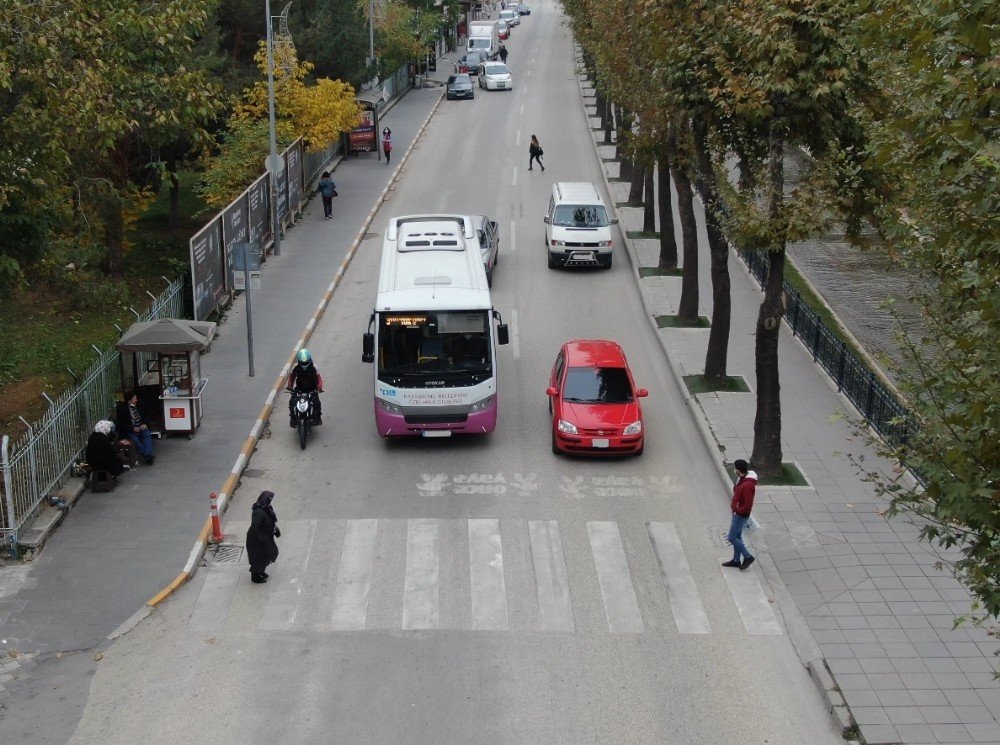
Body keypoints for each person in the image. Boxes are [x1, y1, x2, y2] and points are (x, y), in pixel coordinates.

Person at [722, 459, 757, 570]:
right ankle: (736, 560)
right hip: (737, 513)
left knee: (731, 538)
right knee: (737, 537)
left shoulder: (747, 485)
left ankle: (747, 557)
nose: (734, 469)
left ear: (738, 470)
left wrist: (738, 511)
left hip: (740, 515)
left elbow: (748, 504)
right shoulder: (742, 479)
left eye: (735, 467)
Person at [246, 490, 280, 584]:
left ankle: (260, 571)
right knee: (260, 557)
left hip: (266, 537)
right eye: (270, 499)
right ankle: (255, 576)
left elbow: (270, 520)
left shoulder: (267, 508)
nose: (272, 501)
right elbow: (254, 527)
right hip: (257, 540)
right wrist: (262, 538)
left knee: (269, 554)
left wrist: (275, 529)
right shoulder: (258, 512)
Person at [286, 348, 324, 426]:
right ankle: (292, 419)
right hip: (300, 388)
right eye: (302, 363)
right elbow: (292, 377)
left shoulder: (314, 367)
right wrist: (290, 386)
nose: (304, 364)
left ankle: (318, 418)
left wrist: (319, 388)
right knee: (292, 402)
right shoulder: (295, 367)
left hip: (312, 389)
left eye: (306, 362)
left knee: (317, 403)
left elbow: (319, 379)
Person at [116, 390, 155, 465]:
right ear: (129, 401)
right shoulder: (122, 409)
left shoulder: (140, 404)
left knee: (147, 434)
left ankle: (148, 454)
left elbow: (146, 415)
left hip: (141, 425)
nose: (136, 400)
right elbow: (122, 423)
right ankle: (147, 455)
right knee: (135, 439)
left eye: (136, 398)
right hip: (130, 429)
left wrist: (145, 424)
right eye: (134, 399)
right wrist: (132, 428)